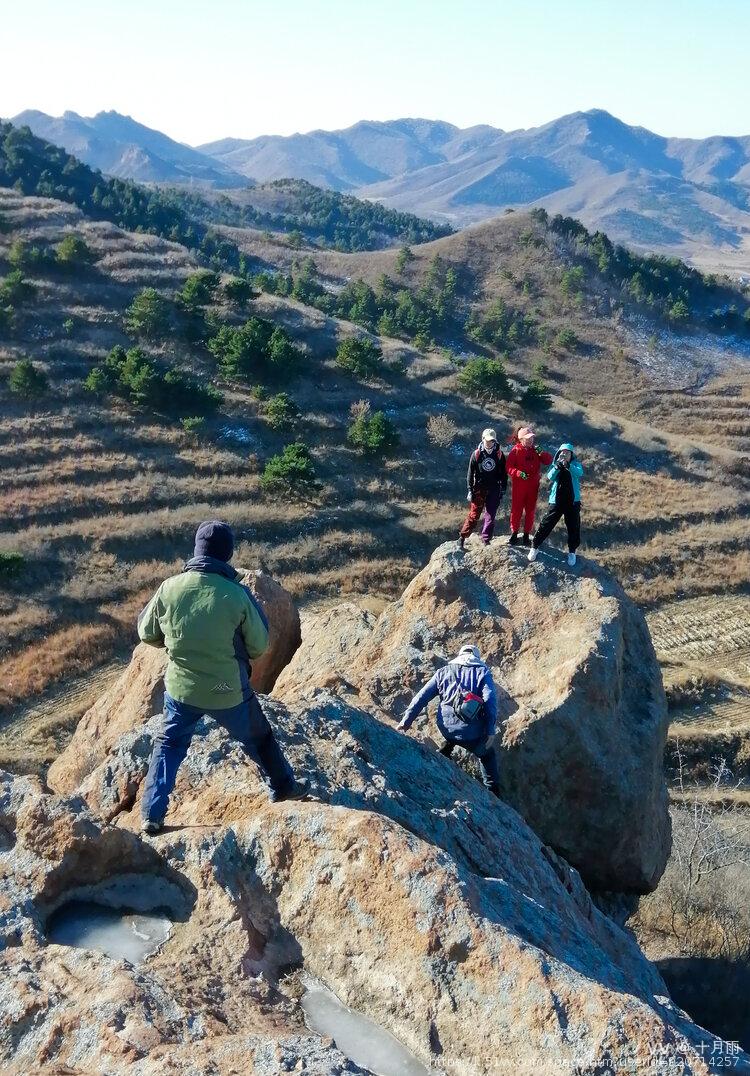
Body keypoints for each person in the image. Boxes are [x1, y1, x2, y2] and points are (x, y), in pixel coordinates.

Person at [138, 520, 303, 834]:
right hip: (228, 690)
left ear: (198, 551)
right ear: (227, 554)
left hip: (181, 690)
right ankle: (282, 787)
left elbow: (147, 632)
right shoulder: (236, 594)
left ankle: (152, 814)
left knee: (169, 745)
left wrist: (173, 641)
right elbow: (259, 644)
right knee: (259, 737)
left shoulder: (170, 587)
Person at [396, 645, 500, 796]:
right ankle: (493, 790)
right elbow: (490, 700)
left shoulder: (442, 672)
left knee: (451, 728)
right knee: (487, 755)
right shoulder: (482, 672)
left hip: (446, 727)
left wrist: (405, 722)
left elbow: (422, 697)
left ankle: (448, 745)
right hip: (472, 733)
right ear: (476, 658)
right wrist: (490, 730)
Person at [528, 443, 584, 566]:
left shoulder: (575, 465)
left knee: (573, 527)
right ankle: (535, 546)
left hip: (573, 502)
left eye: (567, 453)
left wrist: (568, 466)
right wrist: (557, 467)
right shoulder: (555, 465)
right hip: (556, 501)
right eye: (562, 452)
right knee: (546, 524)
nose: (564, 454)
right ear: (558, 454)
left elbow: (579, 473)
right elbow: (550, 476)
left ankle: (572, 552)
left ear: (571, 455)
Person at [458, 428, 507, 548]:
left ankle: (486, 539)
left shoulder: (499, 454)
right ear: (483, 439)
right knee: (474, 515)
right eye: (488, 440)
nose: (490, 443)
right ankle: (462, 537)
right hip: (479, 488)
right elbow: (470, 473)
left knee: (491, 515)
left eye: (492, 441)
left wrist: (503, 488)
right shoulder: (476, 454)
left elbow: (503, 474)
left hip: (494, 488)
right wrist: (469, 489)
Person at [506, 425, 553, 546]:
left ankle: (526, 535)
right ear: (521, 439)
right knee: (516, 510)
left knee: (530, 511)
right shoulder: (515, 451)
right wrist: (518, 473)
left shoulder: (536, 450)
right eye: (528, 438)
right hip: (519, 486)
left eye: (532, 438)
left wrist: (541, 452)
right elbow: (509, 467)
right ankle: (514, 533)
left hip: (533, 486)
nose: (531, 440)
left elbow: (548, 461)